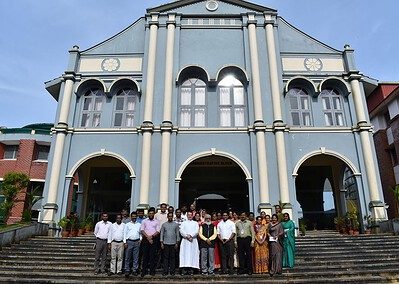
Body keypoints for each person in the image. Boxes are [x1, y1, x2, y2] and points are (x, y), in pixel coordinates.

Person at [140, 207, 160, 277]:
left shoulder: (157, 221)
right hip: (145, 240)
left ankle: (152, 271)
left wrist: (151, 237)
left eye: (152, 213)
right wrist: (148, 237)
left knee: (152, 256)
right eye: (150, 213)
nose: (151, 214)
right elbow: (142, 230)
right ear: (148, 214)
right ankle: (144, 271)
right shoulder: (144, 221)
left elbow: (158, 231)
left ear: (154, 214)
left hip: (154, 240)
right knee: (145, 256)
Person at [123, 211, 141, 277]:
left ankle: (134, 270)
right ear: (131, 217)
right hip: (129, 242)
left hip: (137, 242)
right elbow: (124, 233)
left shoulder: (139, 224)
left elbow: (140, 233)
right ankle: (127, 270)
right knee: (127, 257)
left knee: (136, 257)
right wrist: (125, 242)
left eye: (135, 217)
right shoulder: (127, 224)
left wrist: (140, 239)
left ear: (136, 217)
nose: (134, 218)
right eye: (132, 217)